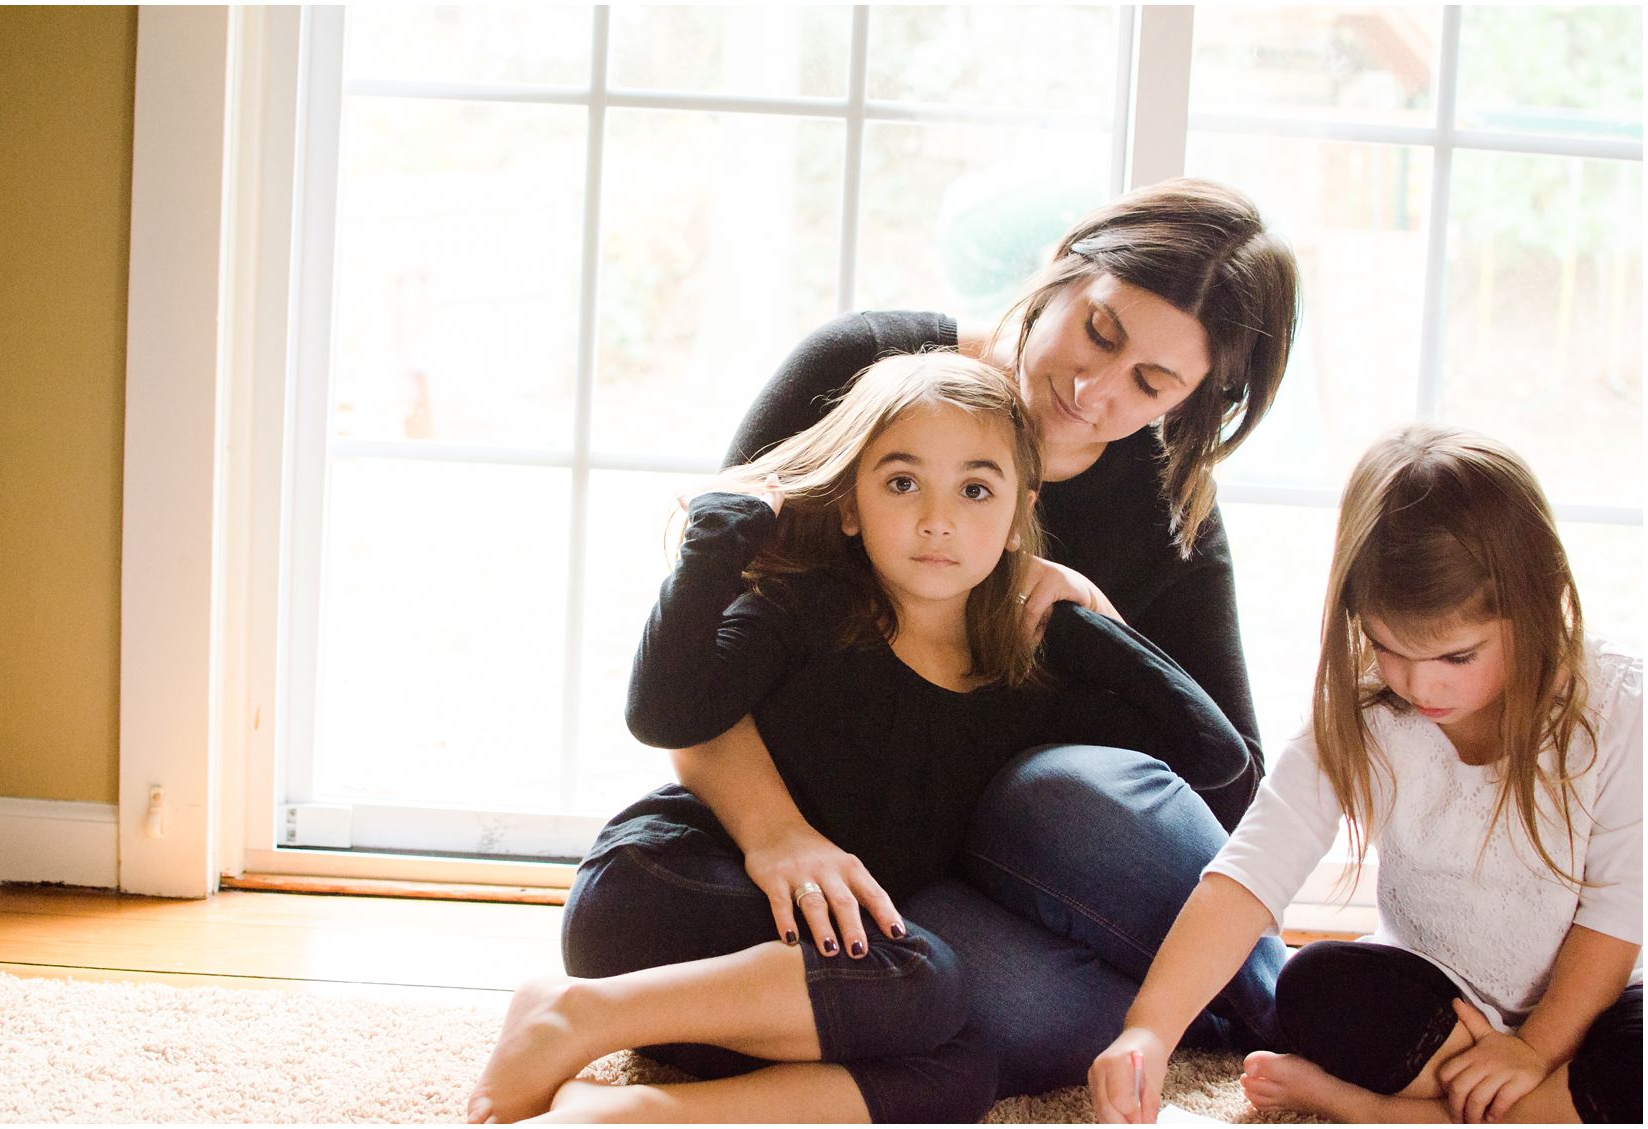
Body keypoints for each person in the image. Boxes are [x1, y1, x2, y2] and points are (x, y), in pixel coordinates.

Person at [467, 351, 1252, 1123]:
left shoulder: (1028, 672)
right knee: (928, 981)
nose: (937, 519)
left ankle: (634, 1114)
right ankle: (573, 1013)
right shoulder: (806, 609)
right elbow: (665, 713)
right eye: (902, 482)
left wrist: (1095, 621)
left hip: (820, 984)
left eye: (977, 490)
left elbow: (1214, 758)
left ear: (1020, 511)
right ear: (850, 505)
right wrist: (715, 543)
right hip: (667, 893)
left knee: (962, 1069)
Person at [675, 177, 1302, 1097]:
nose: (1094, 389)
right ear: (1061, 269)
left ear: (1196, 398)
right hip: (896, 876)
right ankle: (1207, 1006)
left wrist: (1106, 631)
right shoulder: (866, 371)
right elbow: (686, 661)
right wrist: (778, 837)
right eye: (1099, 331)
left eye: (1151, 383)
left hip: (1050, 858)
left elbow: (1232, 783)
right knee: (953, 1007)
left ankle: (1296, 1013)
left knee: (1059, 795)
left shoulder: (1168, 504)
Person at [1089, 424, 1642, 1125]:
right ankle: (1519, 1111)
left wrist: (1534, 1048)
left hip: (1588, 1011)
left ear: (1541, 603)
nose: (1418, 683)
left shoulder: (1620, 704)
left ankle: (1365, 1108)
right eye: (1386, 644)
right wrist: (1151, 1027)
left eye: (1457, 656)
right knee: (1313, 985)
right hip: (1435, 1008)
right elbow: (1251, 870)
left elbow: (1616, 914)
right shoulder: (1365, 708)